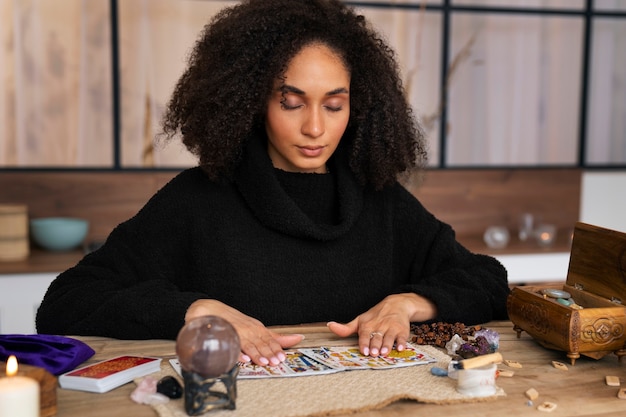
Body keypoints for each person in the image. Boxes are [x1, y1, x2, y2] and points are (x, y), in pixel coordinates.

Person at [36, 0, 509, 367]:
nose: (315, 129)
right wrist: (198, 311)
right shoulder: (196, 200)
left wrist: (407, 304)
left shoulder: (381, 200)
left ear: (357, 106)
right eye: (291, 102)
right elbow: (66, 303)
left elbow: (488, 281)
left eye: (333, 104)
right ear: (251, 101)